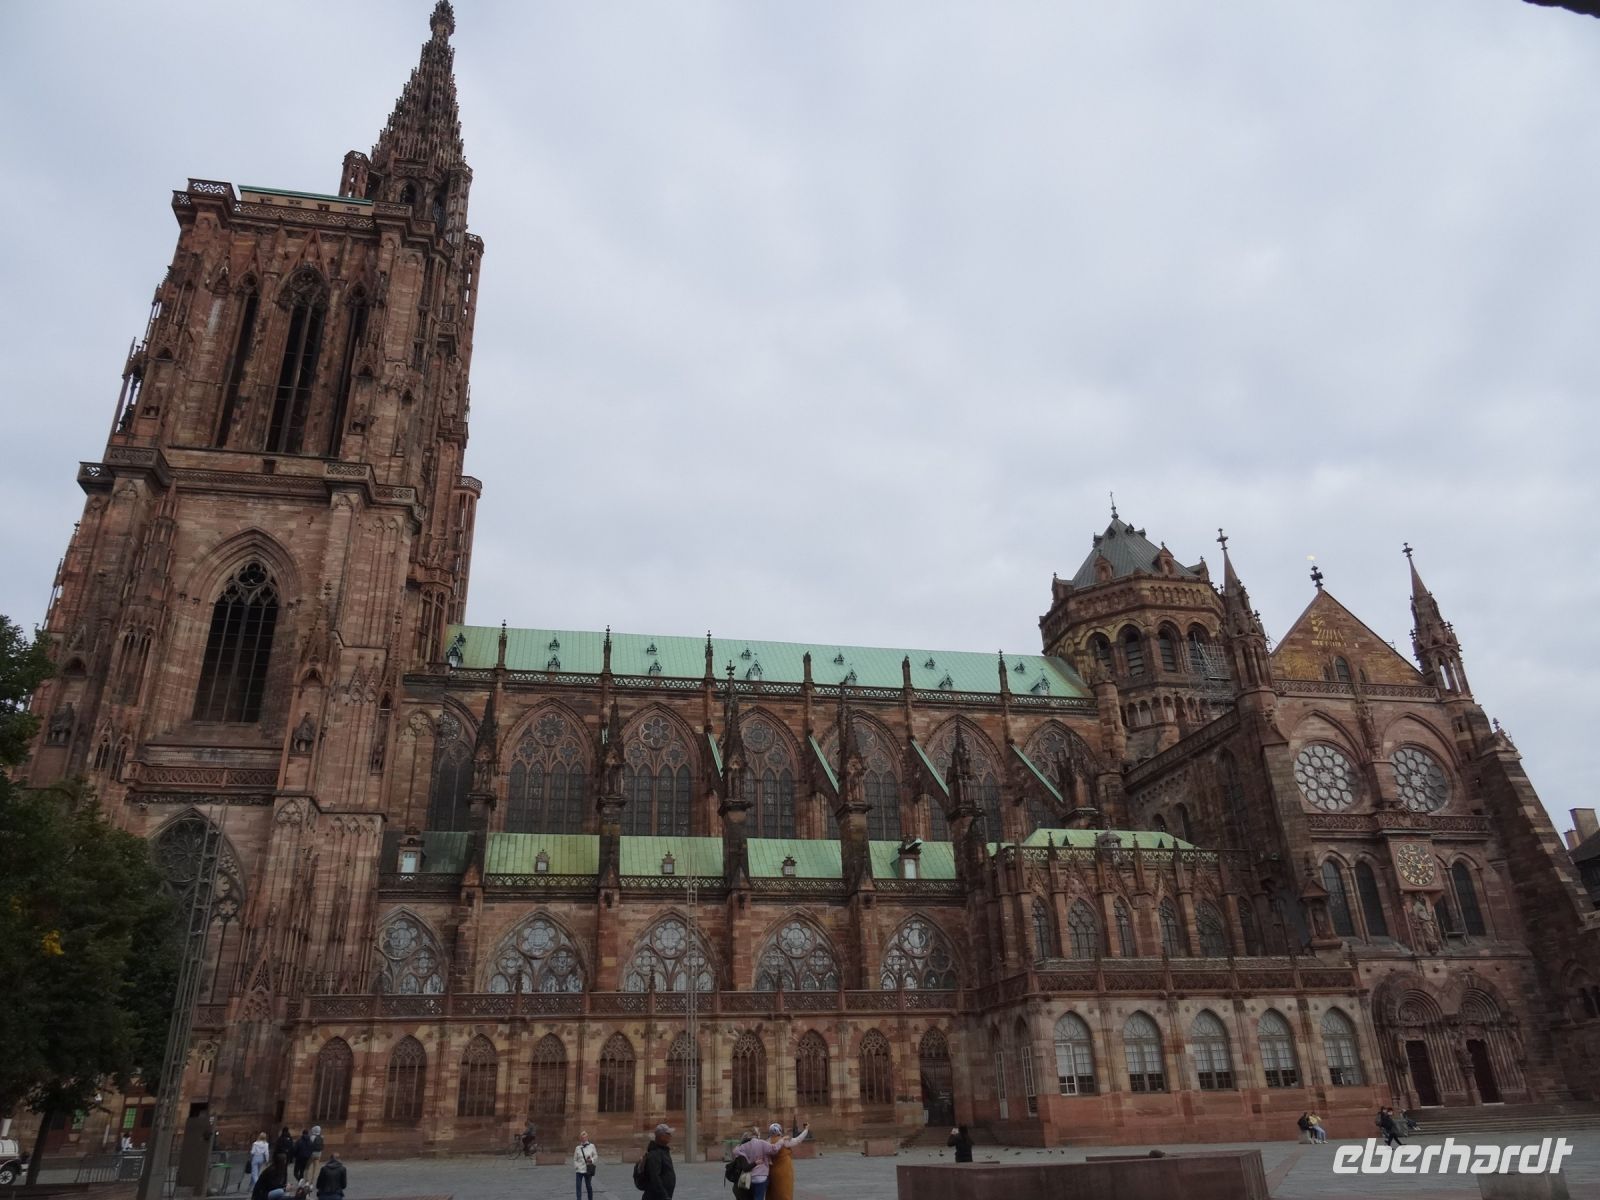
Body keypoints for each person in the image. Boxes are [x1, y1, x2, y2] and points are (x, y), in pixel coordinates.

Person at [745, 1121, 809, 1200]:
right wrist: (806, 1130)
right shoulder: (784, 1141)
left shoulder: (767, 1142)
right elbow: (798, 1140)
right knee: (785, 1190)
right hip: (785, 1171)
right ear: (779, 1130)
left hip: (772, 1171)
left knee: (774, 1191)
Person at [638, 1123, 675, 1200]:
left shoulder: (663, 1152)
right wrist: (664, 1196)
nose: (670, 1136)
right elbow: (655, 1177)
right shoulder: (655, 1154)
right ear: (661, 1136)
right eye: (668, 1134)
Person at [572, 1132, 598, 1200]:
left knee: (588, 1186)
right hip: (579, 1170)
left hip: (588, 1169)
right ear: (580, 1138)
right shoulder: (577, 1148)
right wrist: (576, 1166)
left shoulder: (592, 1146)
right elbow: (575, 1159)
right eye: (582, 1137)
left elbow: (595, 1156)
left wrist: (591, 1160)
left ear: (587, 1137)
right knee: (578, 1187)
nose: (584, 1139)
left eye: (585, 1137)